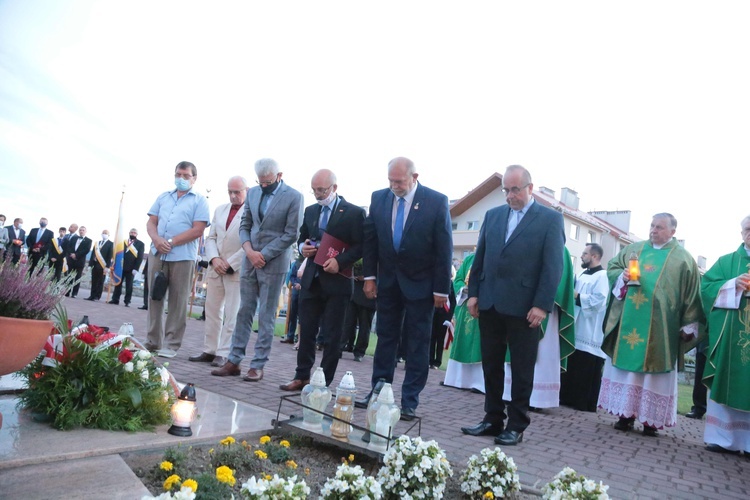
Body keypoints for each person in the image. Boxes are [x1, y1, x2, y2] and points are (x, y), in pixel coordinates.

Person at [460, 165, 564, 446]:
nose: (509, 195)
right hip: (490, 303)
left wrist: (542, 305)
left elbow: (553, 267)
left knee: (521, 369)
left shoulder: (549, 220)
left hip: (524, 307)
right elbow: (480, 257)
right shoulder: (493, 216)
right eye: (506, 190)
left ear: (530, 188)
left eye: (515, 189)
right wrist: (473, 294)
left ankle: (517, 424)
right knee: (491, 366)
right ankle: (493, 419)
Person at [358, 157, 453, 421]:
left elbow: (444, 247)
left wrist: (441, 289)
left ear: (414, 177)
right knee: (385, 338)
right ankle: (378, 391)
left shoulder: (435, 201)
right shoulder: (379, 198)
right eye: (390, 180)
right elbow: (371, 240)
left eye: (399, 181)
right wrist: (369, 276)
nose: (394, 186)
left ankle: (410, 400)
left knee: (417, 342)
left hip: (422, 285)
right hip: (388, 282)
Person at [598, 213, 704, 436]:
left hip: (662, 329)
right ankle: (624, 415)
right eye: (652, 226)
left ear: (672, 232)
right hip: (629, 321)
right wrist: (622, 276)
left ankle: (651, 421)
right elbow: (613, 267)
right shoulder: (634, 250)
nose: (653, 230)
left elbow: (692, 294)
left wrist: (689, 325)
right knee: (628, 373)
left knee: (654, 376)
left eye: (660, 227)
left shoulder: (683, 259)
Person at [212, 158, 303, 382]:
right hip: (249, 259)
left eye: (268, 182)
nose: (264, 186)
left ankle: (258, 365)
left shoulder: (294, 197)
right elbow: (245, 226)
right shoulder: (252, 194)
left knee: (266, 315)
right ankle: (234, 360)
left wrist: (265, 254)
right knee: (244, 311)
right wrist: (249, 251)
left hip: (274, 262)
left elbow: (292, 233)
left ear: (279, 176)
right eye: (260, 182)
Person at [280, 169, 365, 390]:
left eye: (322, 190)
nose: (318, 194)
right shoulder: (310, 211)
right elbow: (303, 238)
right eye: (314, 190)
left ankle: (323, 382)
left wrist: (341, 261)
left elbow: (361, 246)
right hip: (312, 279)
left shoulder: (354, 213)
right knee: (306, 331)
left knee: (332, 336)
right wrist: (303, 248)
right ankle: (302, 376)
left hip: (337, 281)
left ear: (334, 188)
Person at [144, 161, 210, 358]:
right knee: (154, 297)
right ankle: (152, 341)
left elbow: (198, 229)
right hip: (158, 253)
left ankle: (171, 344)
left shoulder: (199, 201)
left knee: (177, 300)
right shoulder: (164, 197)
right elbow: (151, 222)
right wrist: (157, 240)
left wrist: (171, 242)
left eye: (185, 176)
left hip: (182, 257)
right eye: (178, 175)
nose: (181, 179)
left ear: (194, 179)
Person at [700, 215, 750, 454]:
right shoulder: (727, 261)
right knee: (727, 380)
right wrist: (732, 285)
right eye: (748, 229)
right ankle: (723, 439)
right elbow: (706, 288)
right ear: (741, 233)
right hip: (731, 337)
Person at [503, 247, 575, 410]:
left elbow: (558, 279)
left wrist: (541, 301)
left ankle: (538, 399)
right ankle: (510, 394)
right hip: (520, 304)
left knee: (543, 351)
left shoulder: (560, 248)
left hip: (545, 309)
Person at [189, 176, 248, 368]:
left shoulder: (252, 212)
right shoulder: (220, 210)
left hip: (235, 269)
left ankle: (224, 352)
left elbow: (250, 242)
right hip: (215, 267)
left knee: (232, 313)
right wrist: (214, 259)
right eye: (230, 191)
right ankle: (210, 349)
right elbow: (211, 237)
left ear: (246, 190)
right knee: (212, 311)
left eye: (237, 192)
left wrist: (230, 263)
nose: (233, 195)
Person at [560, 243, 609, 412]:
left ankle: (584, 403)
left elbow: (599, 300)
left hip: (590, 329)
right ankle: (568, 398)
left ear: (595, 256)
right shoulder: (582, 274)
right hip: (578, 326)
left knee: (586, 368)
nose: (581, 256)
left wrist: (576, 295)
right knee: (575, 364)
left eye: (585, 253)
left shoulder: (603, 276)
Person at [443, 253, 484, 391]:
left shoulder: (494, 256)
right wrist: (463, 289)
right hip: (466, 304)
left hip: (482, 306)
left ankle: (479, 384)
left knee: (481, 345)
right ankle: (457, 380)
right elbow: (458, 279)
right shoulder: (469, 259)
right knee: (462, 342)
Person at [341, 259, 376, 362]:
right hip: (355, 289)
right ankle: (339, 347)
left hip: (369, 292)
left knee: (365, 325)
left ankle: (359, 352)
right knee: (347, 322)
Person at [109, 228, 145, 306]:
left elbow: (140, 257)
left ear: (137, 234)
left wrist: (136, 268)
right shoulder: (123, 242)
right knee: (118, 283)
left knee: (129, 286)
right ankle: (115, 299)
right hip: (121, 266)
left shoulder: (140, 244)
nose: (133, 234)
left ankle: (127, 301)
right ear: (129, 233)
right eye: (131, 232)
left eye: (134, 233)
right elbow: (117, 253)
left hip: (131, 268)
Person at [429, 282, 456, 369]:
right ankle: (430, 360)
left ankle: (437, 362)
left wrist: (449, 318)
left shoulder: (450, 284)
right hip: (433, 313)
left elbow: (452, 302)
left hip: (444, 314)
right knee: (431, 338)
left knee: (440, 339)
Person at [280, 256, 304, 344]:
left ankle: (300, 339)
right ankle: (290, 336)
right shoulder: (297, 263)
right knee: (292, 314)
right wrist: (295, 283)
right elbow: (292, 276)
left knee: (303, 316)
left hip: (306, 292)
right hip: (296, 292)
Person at [64, 226, 92, 298]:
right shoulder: (74, 238)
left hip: (79, 261)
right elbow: (69, 247)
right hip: (71, 260)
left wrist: (76, 255)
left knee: (77, 277)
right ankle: (67, 292)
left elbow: (86, 250)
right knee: (69, 277)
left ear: (85, 231)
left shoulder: (89, 240)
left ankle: (74, 293)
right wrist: (71, 254)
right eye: (80, 230)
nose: (81, 231)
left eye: (83, 230)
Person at [85, 229, 113, 301]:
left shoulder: (111, 244)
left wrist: (107, 266)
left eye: (106, 233)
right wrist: (90, 264)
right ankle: (92, 295)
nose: (104, 234)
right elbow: (92, 254)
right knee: (94, 281)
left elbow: (110, 256)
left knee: (100, 281)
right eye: (103, 233)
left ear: (108, 235)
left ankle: (97, 296)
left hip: (103, 266)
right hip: (95, 264)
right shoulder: (97, 243)